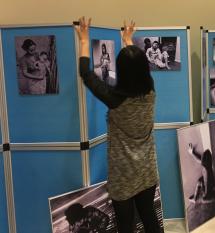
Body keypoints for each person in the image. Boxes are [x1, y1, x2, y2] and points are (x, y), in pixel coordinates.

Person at [75, 17, 161, 233]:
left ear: (120, 70)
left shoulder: (113, 98)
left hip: (122, 175)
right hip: (147, 169)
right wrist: (128, 40)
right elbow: (138, 69)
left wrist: (84, 40)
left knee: (125, 225)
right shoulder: (150, 90)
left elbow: (87, 74)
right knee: (149, 217)